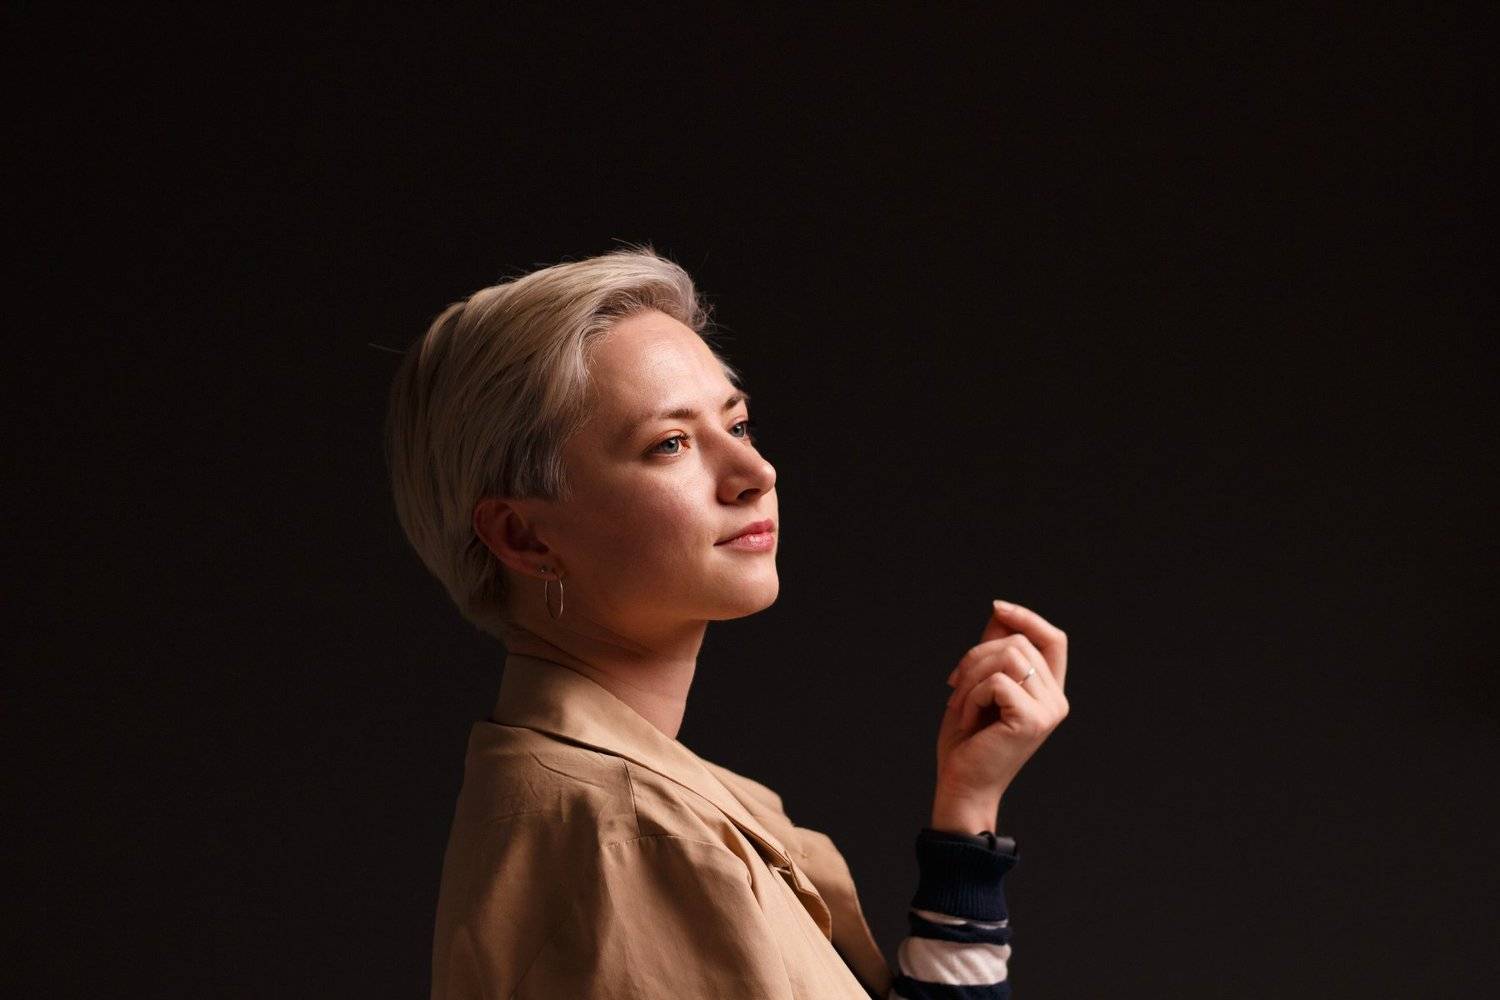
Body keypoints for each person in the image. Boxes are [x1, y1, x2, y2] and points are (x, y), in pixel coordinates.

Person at [384, 245, 1070, 999]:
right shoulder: (639, 834)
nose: (757, 474)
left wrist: (966, 816)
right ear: (525, 537)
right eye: (670, 444)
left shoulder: (634, 804)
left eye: (737, 426)